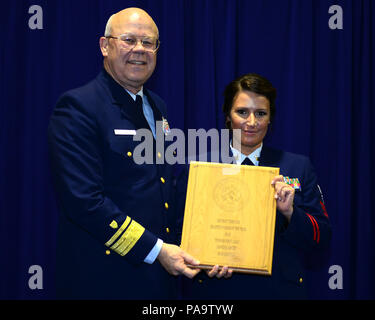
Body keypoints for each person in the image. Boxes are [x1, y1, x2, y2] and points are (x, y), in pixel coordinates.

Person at [47, 7, 200, 299]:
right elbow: (85, 203)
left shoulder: (158, 107)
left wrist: (204, 244)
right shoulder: (79, 107)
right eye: (129, 40)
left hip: (158, 279)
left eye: (149, 42)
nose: (140, 50)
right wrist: (156, 251)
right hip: (104, 279)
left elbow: (163, 187)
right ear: (105, 46)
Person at [176, 73, 332, 299]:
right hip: (215, 293)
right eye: (242, 112)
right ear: (228, 116)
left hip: (279, 292)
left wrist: (290, 213)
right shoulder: (200, 169)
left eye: (260, 113)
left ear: (270, 119)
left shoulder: (297, 167)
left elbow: (322, 238)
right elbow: (179, 233)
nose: (251, 122)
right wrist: (201, 262)